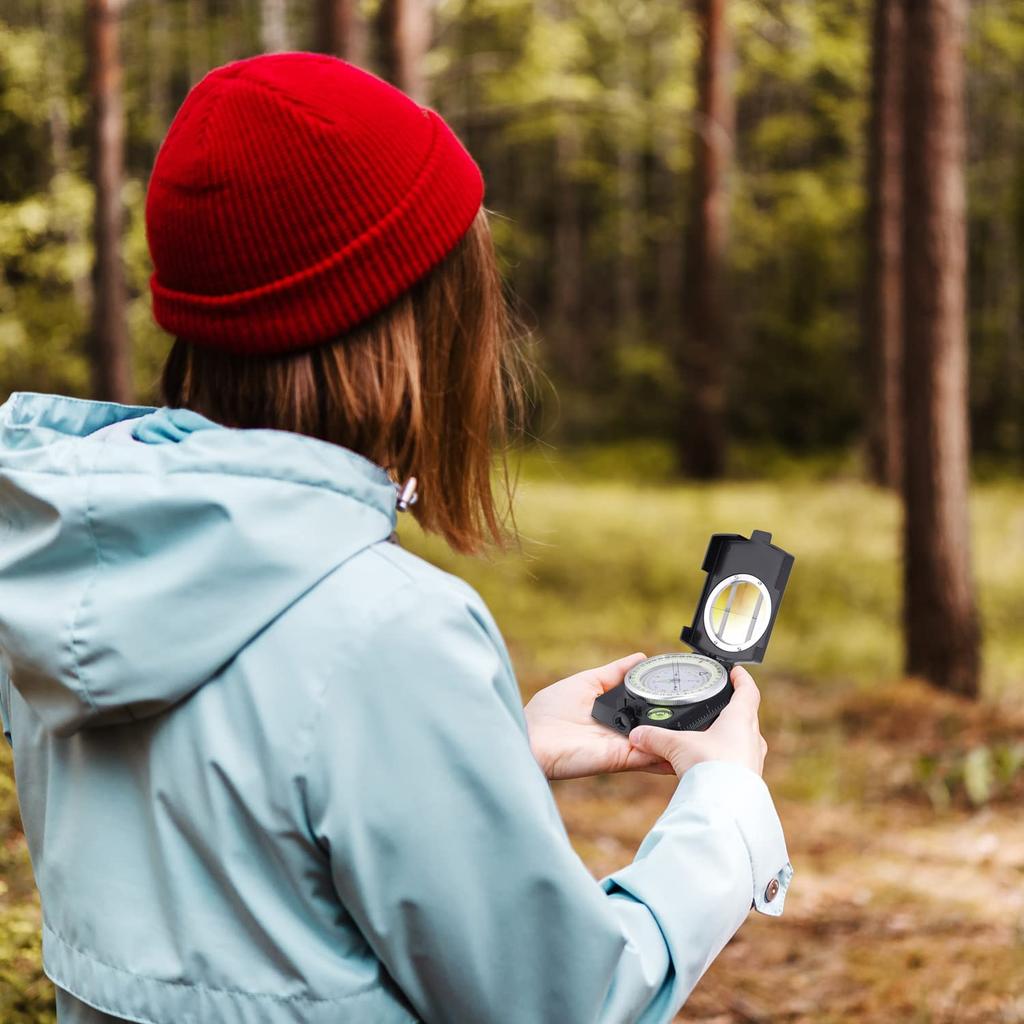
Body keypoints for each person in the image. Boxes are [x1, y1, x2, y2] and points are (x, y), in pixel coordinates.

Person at [0, 53, 792, 1024]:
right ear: (416, 321)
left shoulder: (64, 558)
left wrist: (487, 747)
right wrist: (726, 807)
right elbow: (565, 1004)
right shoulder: (386, 631)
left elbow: (239, 832)